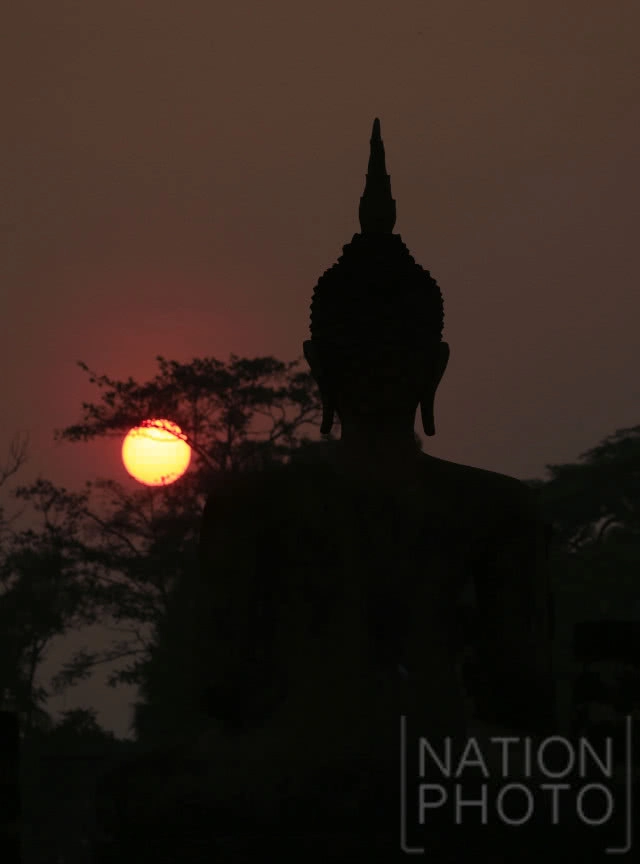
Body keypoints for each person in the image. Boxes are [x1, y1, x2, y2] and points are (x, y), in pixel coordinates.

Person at [197, 119, 556, 861]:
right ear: (439, 366)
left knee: (155, 794)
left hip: (293, 774)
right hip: (444, 768)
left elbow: (224, 686)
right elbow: (523, 688)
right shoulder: (494, 506)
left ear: (316, 366)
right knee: (589, 793)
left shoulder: (251, 503)